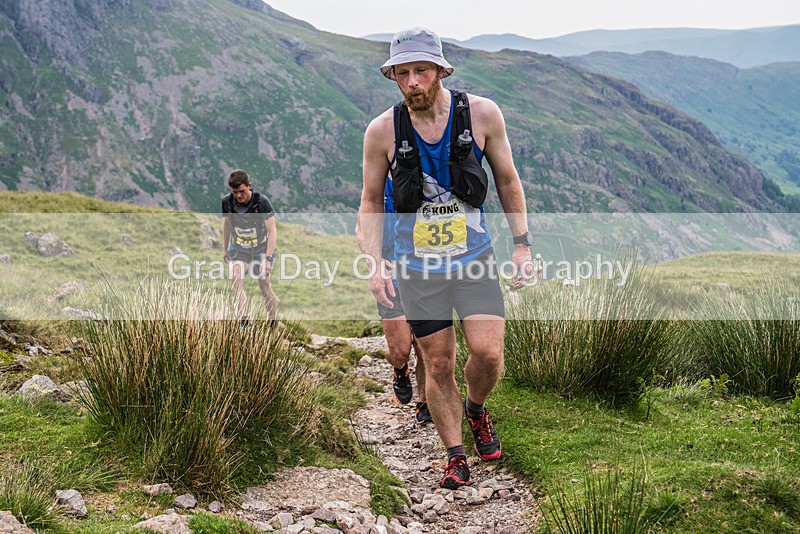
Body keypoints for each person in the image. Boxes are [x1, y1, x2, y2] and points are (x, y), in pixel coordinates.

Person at [358, 27, 533, 489]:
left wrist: (522, 245)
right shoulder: (382, 131)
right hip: (418, 269)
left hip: (474, 258)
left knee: (488, 354)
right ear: (393, 77)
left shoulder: (481, 115)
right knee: (437, 365)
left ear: (440, 71)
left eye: (421, 71)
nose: (412, 81)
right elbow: (371, 201)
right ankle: (455, 454)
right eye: (402, 73)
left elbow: (508, 181)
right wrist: (376, 261)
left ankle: (476, 409)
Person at [358, 177, 433, 424]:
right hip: (389, 277)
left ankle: (424, 402)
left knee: (425, 346)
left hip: (423, 275)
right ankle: (400, 369)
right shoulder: (377, 183)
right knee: (401, 349)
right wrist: (375, 263)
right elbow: (362, 229)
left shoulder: (425, 177)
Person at [222, 169, 278, 325]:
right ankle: (245, 321)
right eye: (235, 192)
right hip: (240, 249)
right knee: (235, 278)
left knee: (264, 285)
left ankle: (273, 322)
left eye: (242, 191)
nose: (238, 196)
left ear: (249, 186)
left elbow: (272, 231)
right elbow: (227, 225)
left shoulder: (261, 202)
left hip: (261, 249)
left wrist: (267, 259)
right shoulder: (227, 202)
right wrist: (225, 248)